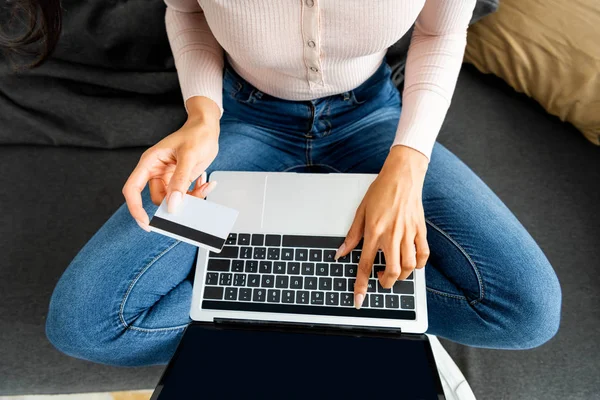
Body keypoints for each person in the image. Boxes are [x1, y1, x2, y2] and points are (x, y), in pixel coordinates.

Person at [2, 0, 561, 367]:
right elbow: (187, 11)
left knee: (528, 312)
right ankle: (313, 312)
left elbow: (441, 30)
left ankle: (270, 308)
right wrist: (203, 116)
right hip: (244, 125)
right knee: (85, 323)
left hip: (374, 122)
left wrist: (408, 162)